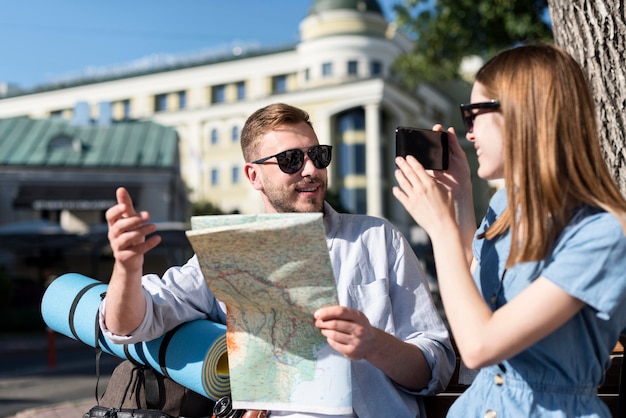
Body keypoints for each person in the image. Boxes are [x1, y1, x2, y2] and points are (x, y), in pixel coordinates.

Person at [100, 103, 455, 418]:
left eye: (318, 155)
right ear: (254, 175)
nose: (311, 169)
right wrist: (127, 269)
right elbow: (128, 325)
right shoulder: (231, 250)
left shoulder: (377, 238)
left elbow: (435, 366)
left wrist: (374, 343)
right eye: (290, 160)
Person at [393, 42, 626, 417]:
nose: (468, 133)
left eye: (473, 114)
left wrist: (440, 229)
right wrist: (461, 195)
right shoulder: (505, 206)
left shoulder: (604, 233)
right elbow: (476, 284)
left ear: (522, 115)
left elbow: (479, 346)